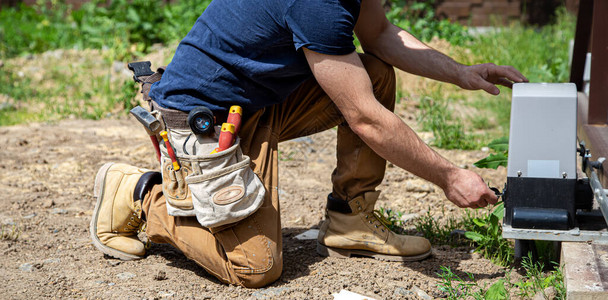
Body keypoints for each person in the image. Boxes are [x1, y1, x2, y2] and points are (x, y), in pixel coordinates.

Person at [89, 0, 527, 288]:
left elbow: (380, 35)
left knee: (372, 71)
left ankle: (349, 219)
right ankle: (142, 194)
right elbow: (365, 119)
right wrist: (449, 176)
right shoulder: (317, 3)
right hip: (202, 118)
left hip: (259, 101)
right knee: (255, 267)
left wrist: (460, 72)